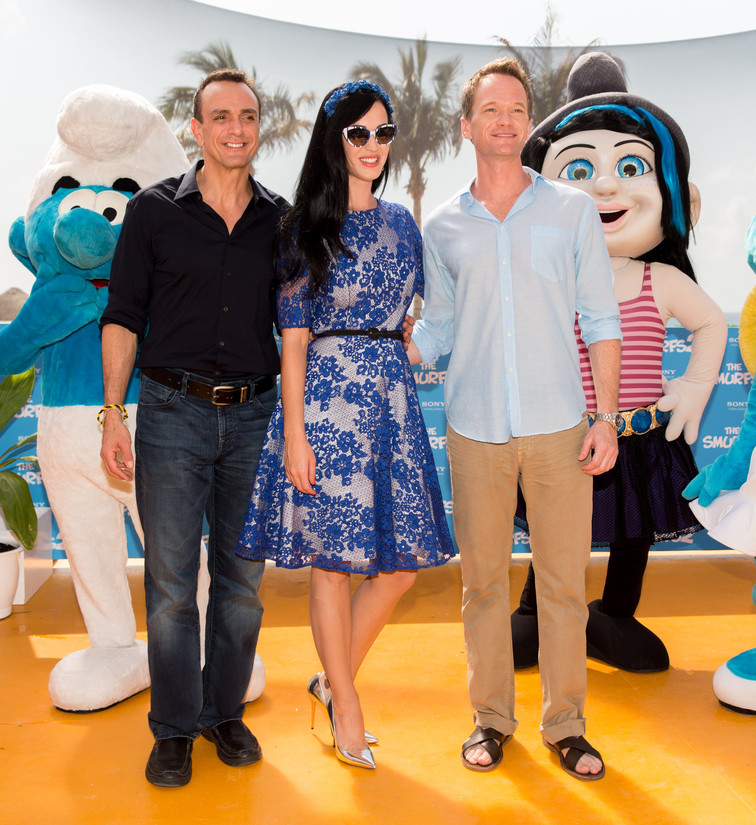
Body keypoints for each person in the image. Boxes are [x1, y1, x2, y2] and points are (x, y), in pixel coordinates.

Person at [409, 58, 622, 781]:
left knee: (563, 585)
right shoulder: (441, 225)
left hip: (562, 426)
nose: (506, 121)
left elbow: (601, 318)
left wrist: (606, 417)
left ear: (528, 123)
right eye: (491, 110)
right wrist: (377, 350)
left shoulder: (572, 210)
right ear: (466, 126)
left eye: (517, 109)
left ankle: (566, 726)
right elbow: (438, 326)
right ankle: (491, 719)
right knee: (482, 587)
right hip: (473, 429)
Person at [235, 80, 455, 771]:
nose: (373, 145)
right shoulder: (302, 228)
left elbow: (438, 305)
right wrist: (295, 435)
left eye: (384, 133)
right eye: (359, 133)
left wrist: (418, 340)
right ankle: (349, 706)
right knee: (331, 566)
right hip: (327, 407)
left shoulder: (404, 225)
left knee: (399, 569)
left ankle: (332, 682)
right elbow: (294, 340)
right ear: (334, 141)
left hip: (390, 402)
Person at [511, 52, 728, 673]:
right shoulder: (551, 278)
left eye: (630, 167)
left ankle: (615, 615)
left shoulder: (660, 279)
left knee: (633, 532)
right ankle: (536, 612)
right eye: (579, 170)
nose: (605, 187)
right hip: (566, 433)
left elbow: (711, 323)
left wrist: (693, 388)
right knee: (558, 531)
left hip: (637, 434)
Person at [100, 68, 287, 788]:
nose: (236, 128)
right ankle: (174, 728)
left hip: (256, 418)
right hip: (171, 413)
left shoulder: (280, 220)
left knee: (241, 585)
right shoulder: (152, 212)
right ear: (197, 128)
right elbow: (122, 316)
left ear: (258, 128)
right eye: (222, 116)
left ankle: (222, 714)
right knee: (173, 585)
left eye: (248, 116)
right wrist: (113, 413)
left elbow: (299, 326)